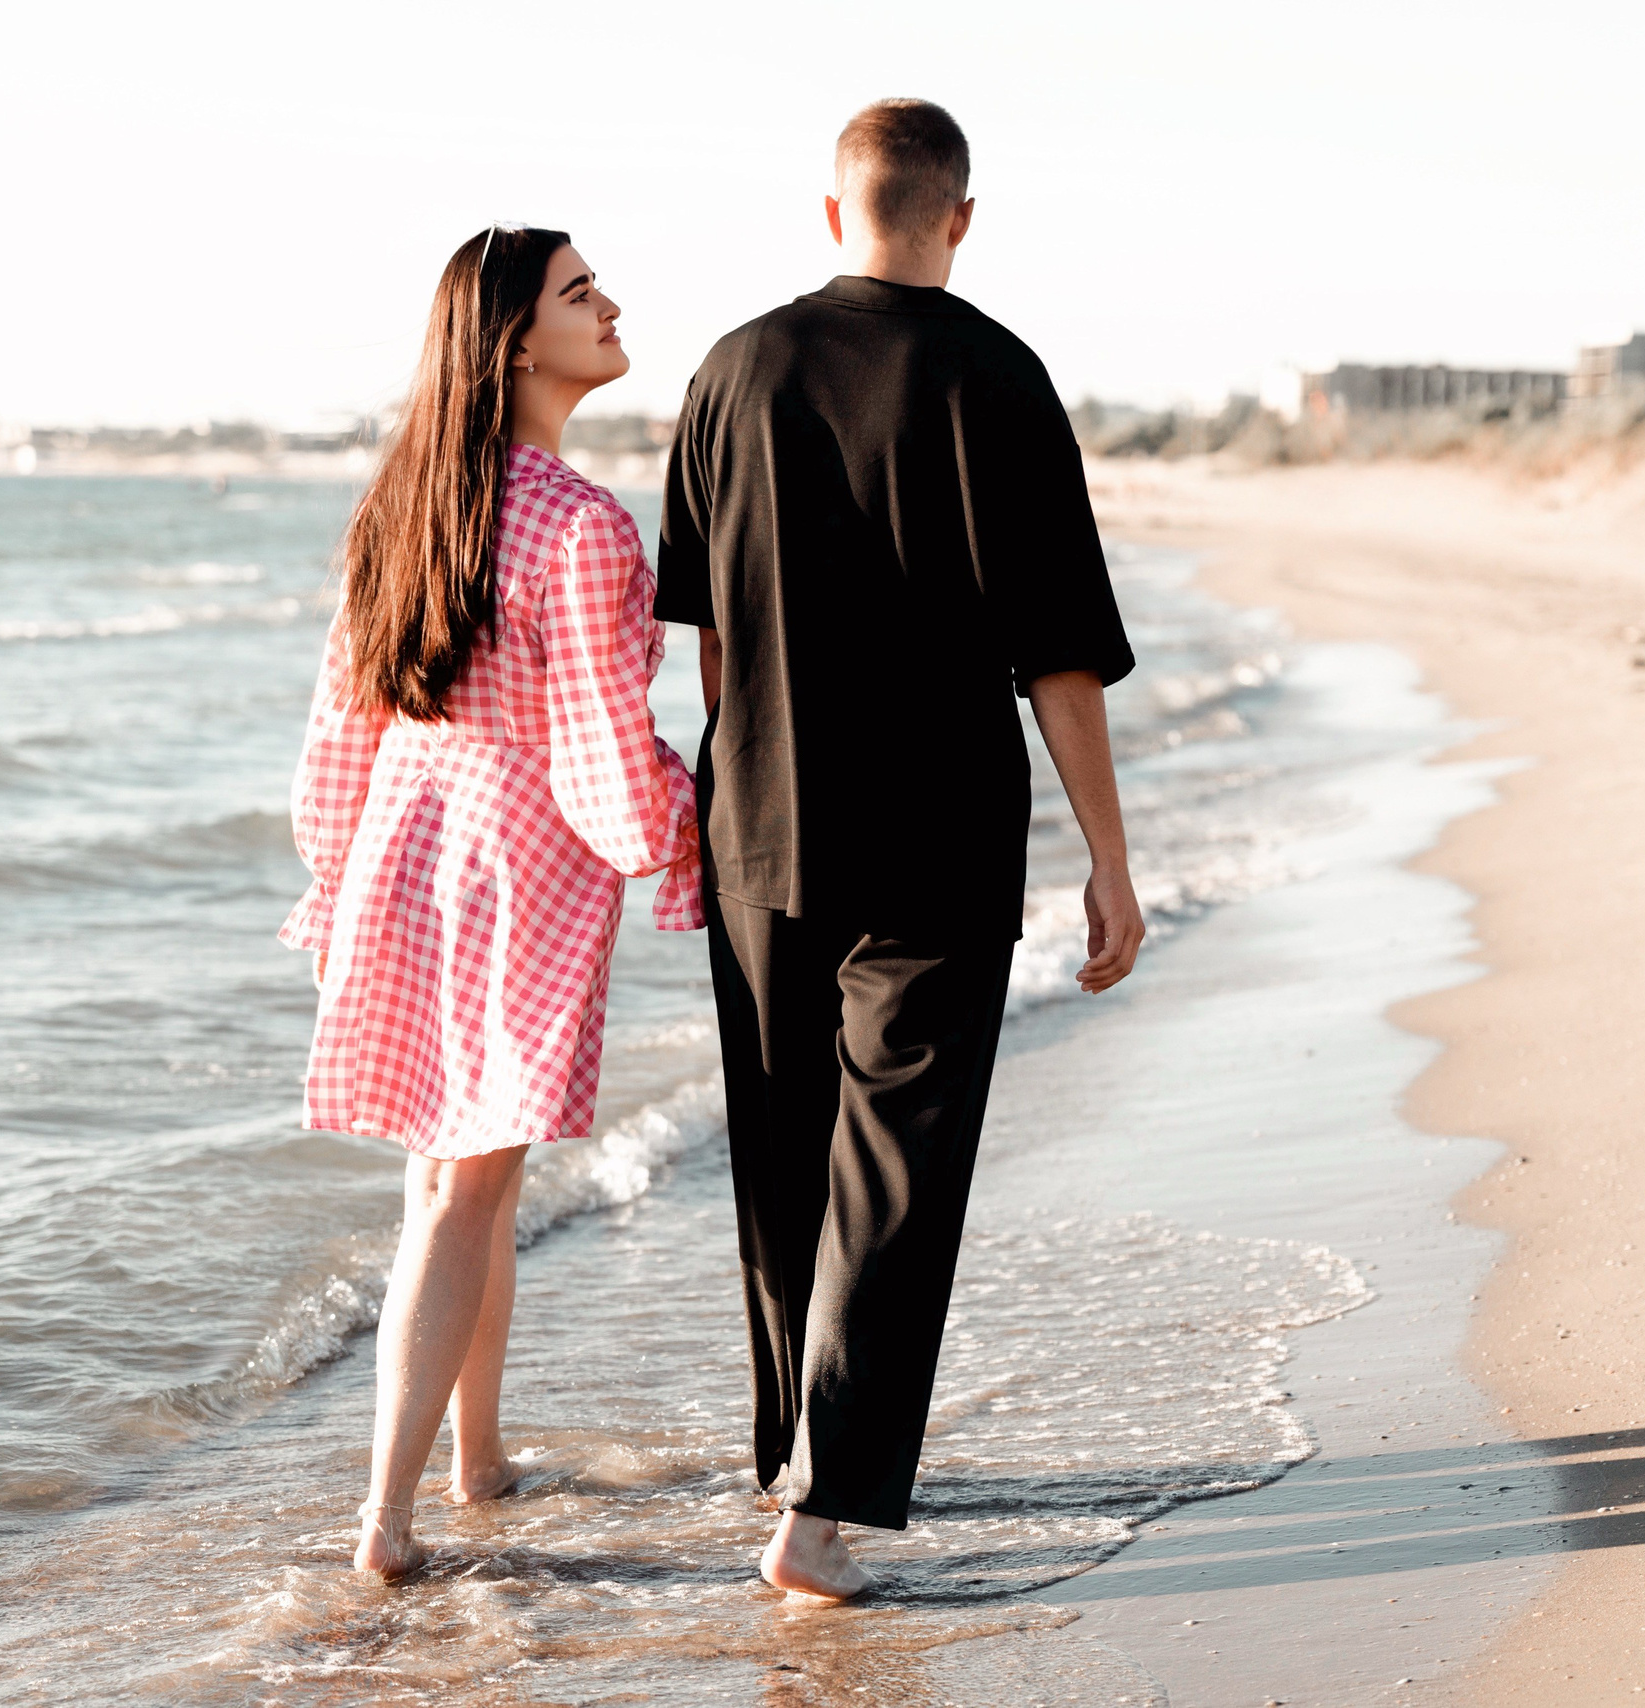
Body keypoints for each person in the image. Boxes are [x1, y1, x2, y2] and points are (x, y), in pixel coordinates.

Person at [655, 98, 1144, 1601]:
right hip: (938, 832)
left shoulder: (732, 371)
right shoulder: (1000, 378)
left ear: (832, 214)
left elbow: (717, 646)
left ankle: (795, 1455)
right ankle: (822, 1502)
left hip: (760, 818)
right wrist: (1109, 861)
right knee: (900, 1166)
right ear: (961, 216)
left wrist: (732, 795)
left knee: (783, 1155)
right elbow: (1058, 660)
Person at [279, 225, 702, 1582]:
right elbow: (596, 753)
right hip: (517, 862)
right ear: (518, 340)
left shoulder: (398, 501)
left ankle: (475, 1463)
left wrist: (332, 874)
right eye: (584, 293)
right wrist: (684, 832)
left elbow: (341, 724)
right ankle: (387, 1525)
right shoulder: (578, 526)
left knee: (464, 1177)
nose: (613, 306)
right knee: (466, 1193)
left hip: (402, 840)